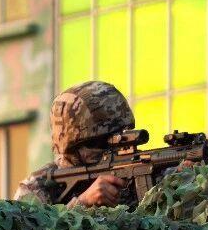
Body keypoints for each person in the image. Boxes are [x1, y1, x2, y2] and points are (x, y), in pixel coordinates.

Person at [14, 81, 139, 209]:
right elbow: (26, 229)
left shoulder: (135, 171)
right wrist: (82, 203)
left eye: (121, 134)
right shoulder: (36, 189)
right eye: (101, 142)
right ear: (72, 146)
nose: (114, 146)